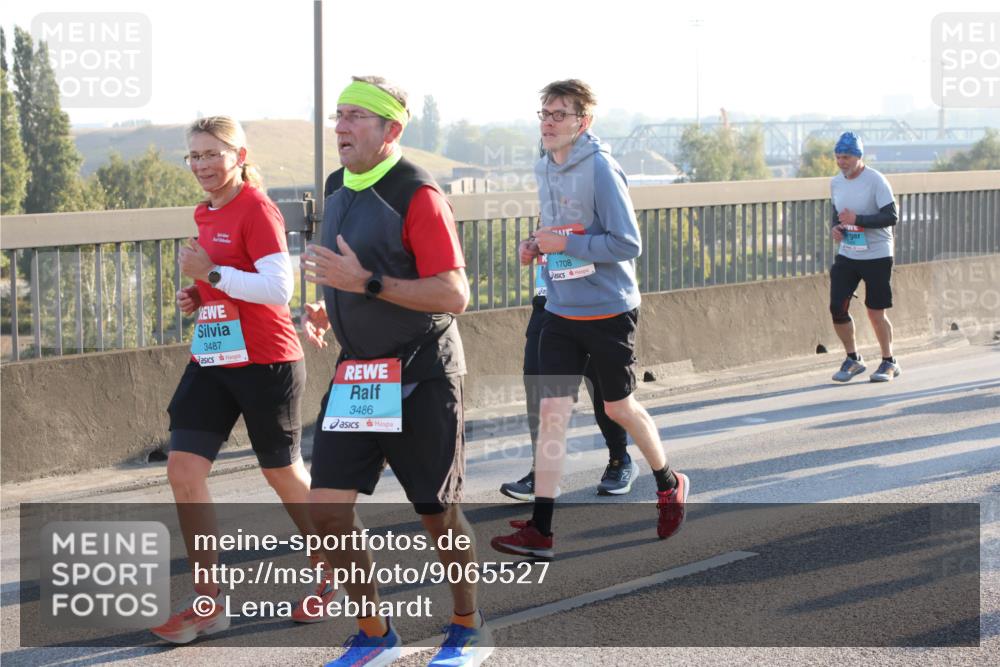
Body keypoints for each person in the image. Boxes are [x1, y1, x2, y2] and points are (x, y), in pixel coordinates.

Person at [302, 76, 492, 667]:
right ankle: (375, 634)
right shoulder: (336, 187)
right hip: (359, 376)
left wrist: (367, 285)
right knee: (327, 510)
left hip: (422, 374)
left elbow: (453, 293)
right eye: (339, 115)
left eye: (357, 116)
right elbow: (350, 272)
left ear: (391, 129)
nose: (341, 127)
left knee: (437, 513)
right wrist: (334, 305)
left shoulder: (418, 192)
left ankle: (467, 626)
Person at [151, 116, 335, 644]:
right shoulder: (202, 212)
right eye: (194, 156)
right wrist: (199, 295)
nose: (202, 165)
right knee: (183, 470)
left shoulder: (257, 207)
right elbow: (223, 278)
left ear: (239, 155)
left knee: (282, 473)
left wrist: (210, 274)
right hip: (212, 357)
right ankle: (209, 603)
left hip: (265, 360)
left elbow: (279, 288)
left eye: (213, 154)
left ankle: (334, 567)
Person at [491, 80, 689, 561]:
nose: (549, 122)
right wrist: (536, 247)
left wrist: (567, 246)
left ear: (584, 122)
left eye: (560, 114)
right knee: (552, 414)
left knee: (619, 407)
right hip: (559, 307)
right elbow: (561, 231)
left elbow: (627, 244)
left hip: (608, 309)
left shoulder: (600, 167)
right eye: (544, 112)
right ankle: (540, 530)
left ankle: (668, 482)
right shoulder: (545, 166)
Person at [499, 273, 635, 500]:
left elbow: (623, 245)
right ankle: (541, 473)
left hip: (593, 304)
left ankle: (619, 460)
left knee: (604, 390)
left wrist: (569, 243)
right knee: (537, 386)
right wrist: (531, 245)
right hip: (548, 303)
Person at [828, 131, 901, 383]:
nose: (841, 162)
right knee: (837, 306)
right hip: (848, 253)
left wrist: (858, 220)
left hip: (877, 254)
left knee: (875, 311)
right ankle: (853, 359)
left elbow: (891, 217)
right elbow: (836, 214)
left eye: (846, 157)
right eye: (838, 157)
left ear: (858, 157)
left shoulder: (876, 181)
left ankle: (889, 361)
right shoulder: (836, 182)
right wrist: (835, 228)